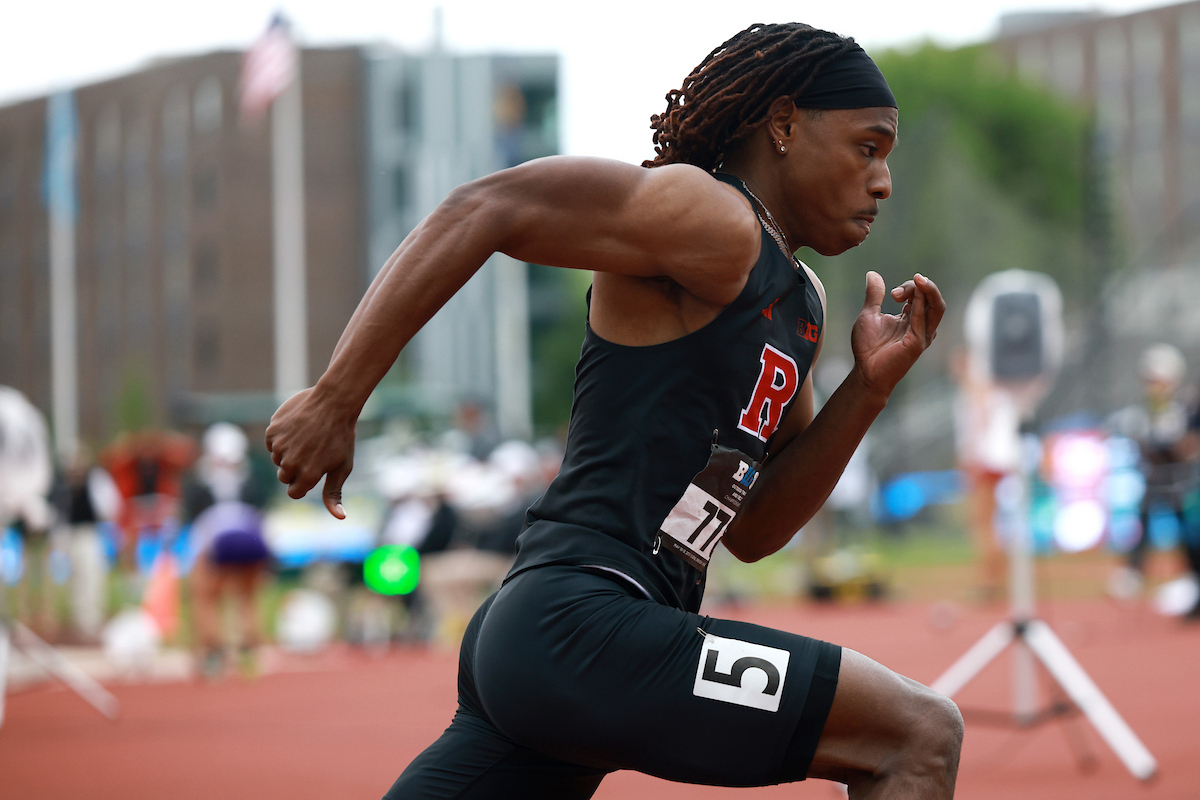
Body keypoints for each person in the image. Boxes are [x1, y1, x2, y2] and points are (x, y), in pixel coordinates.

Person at [267, 23, 961, 799]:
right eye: (868, 149)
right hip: (583, 620)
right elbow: (484, 206)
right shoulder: (712, 217)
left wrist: (867, 390)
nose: (884, 181)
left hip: (573, 634)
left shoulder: (798, 299)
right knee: (919, 732)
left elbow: (757, 529)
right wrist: (337, 395)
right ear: (787, 125)